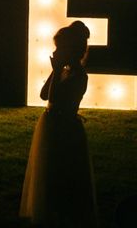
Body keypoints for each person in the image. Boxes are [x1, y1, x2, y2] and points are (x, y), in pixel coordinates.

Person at [19, 20, 98, 227]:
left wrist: (56, 71)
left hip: (64, 129)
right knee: (48, 172)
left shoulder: (80, 76)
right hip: (52, 124)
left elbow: (55, 97)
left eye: (60, 48)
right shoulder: (64, 72)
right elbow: (44, 94)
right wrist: (55, 71)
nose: (56, 52)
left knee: (62, 172)